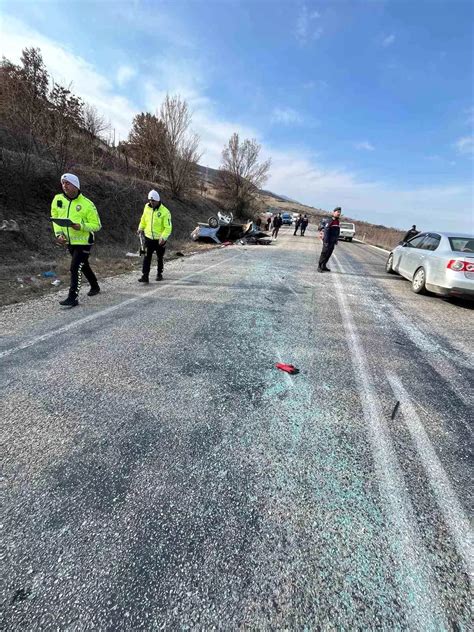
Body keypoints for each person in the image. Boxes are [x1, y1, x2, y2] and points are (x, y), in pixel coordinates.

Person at [51, 173, 101, 308]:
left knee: (75, 268)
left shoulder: (87, 204)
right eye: (63, 183)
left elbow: (97, 225)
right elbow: (55, 218)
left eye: (67, 183)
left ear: (76, 185)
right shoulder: (57, 199)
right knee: (83, 265)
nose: (64, 186)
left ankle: (73, 297)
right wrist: (58, 234)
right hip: (69, 241)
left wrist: (81, 226)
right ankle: (95, 286)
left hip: (84, 241)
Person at [138, 190, 172, 283]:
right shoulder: (146, 207)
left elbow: (168, 227)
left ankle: (159, 273)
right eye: (150, 200)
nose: (151, 202)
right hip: (148, 238)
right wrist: (141, 228)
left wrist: (164, 237)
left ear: (158, 201)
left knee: (159, 257)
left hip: (159, 240)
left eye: (153, 201)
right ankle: (145, 276)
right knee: (146, 257)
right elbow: (143, 219)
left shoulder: (165, 212)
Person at [318, 207, 341, 272]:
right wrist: (326, 241)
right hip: (327, 241)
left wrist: (336, 240)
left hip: (333, 241)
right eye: (337, 212)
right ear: (334, 212)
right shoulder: (330, 220)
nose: (339, 213)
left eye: (339, 212)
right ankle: (319, 266)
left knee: (329, 254)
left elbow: (337, 231)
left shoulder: (337, 221)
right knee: (324, 253)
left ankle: (324, 265)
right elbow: (326, 231)